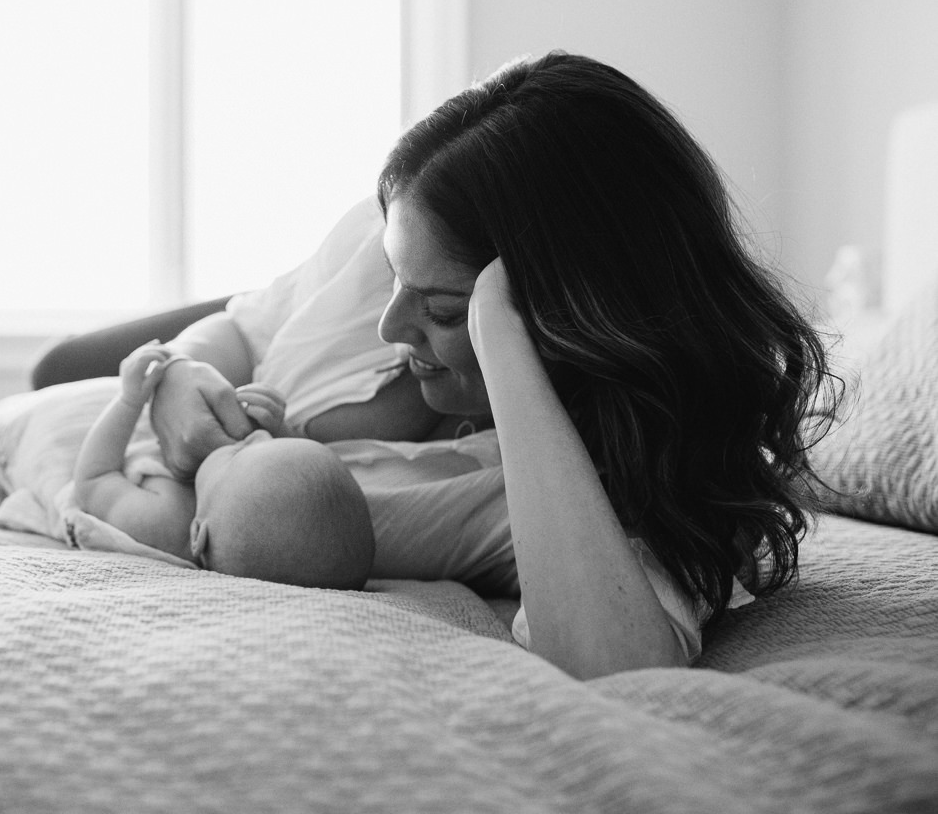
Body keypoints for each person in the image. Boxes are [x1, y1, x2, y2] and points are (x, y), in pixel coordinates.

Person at [143, 52, 836, 678]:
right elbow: (240, 326)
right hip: (134, 400)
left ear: (578, 316)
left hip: (109, 470)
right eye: (396, 283)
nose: (391, 326)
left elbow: (611, 663)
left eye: (444, 311)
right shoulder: (409, 235)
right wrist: (173, 372)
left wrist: (500, 339)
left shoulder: (648, 478)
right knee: (60, 364)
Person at [70, 341, 375, 591]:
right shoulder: (234, 505)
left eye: (237, 453)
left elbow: (94, 478)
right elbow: (286, 480)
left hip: (93, 448)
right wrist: (281, 428)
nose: (258, 434)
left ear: (198, 535)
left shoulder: (161, 523)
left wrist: (128, 401)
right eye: (271, 442)